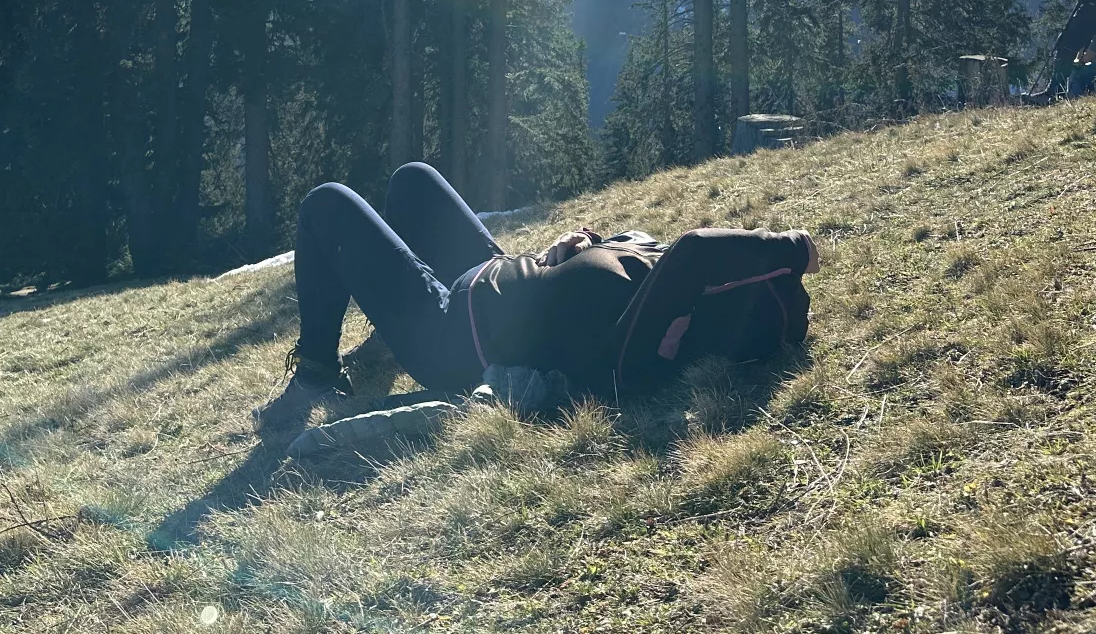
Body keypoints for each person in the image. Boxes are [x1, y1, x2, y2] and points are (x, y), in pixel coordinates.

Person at [256, 162, 819, 434]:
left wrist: (793, 248)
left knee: (326, 204)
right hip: (495, 272)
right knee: (412, 180)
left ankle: (316, 374)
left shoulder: (646, 351)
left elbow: (696, 250)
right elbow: (630, 266)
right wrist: (577, 248)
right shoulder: (659, 276)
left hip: (451, 333)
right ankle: (385, 329)